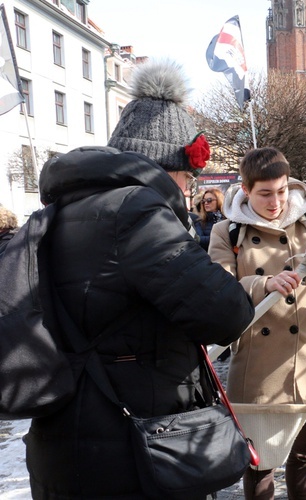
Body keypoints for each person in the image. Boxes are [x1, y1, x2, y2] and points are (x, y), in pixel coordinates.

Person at [24, 59, 255, 499]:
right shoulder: (136, 212)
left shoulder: (62, 210)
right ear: (166, 165)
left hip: (66, 441)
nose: (189, 186)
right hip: (132, 450)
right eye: (189, 175)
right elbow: (227, 312)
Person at [208, 146, 306, 500]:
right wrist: (263, 284)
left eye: (281, 191)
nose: (276, 201)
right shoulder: (227, 232)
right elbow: (218, 288)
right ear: (246, 190)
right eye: (265, 193)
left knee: (305, 457)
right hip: (260, 370)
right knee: (261, 464)